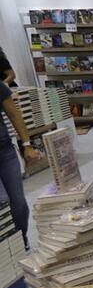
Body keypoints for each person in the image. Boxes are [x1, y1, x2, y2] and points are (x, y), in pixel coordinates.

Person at [0, 79, 42, 248]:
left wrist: (26, 145)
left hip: (4, 151)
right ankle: (8, 250)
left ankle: (21, 239)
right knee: (2, 201)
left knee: (18, 202)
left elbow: (14, 114)